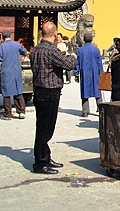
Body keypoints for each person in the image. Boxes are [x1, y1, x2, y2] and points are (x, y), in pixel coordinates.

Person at [30, 22, 77, 174]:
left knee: (42, 125)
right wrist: (73, 56)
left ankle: (45, 155)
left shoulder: (35, 50)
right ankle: (40, 162)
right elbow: (68, 65)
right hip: (49, 91)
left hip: (38, 90)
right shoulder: (51, 50)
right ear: (55, 34)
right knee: (46, 128)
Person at [0, 29, 28, 120]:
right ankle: (21, 112)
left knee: (7, 93)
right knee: (18, 91)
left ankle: (8, 114)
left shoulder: (1, 47)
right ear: (11, 36)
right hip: (16, 71)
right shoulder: (17, 45)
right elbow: (25, 52)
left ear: (2, 37)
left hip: (6, 71)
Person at [73, 29, 103, 117]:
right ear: (92, 39)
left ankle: (85, 111)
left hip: (84, 72)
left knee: (85, 91)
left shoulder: (80, 51)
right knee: (97, 91)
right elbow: (99, 62)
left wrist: (76, 73)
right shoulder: (96, 50)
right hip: (95, 72)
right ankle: (100, 109)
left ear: (83, 39)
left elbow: (77, 63)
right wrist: (101, 73)